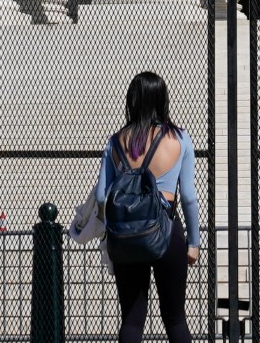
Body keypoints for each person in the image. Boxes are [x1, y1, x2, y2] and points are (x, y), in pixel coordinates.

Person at [96, 71, 199, 343]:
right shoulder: (179, 138)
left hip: (126, 234)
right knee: (175, 319)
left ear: (132, 100)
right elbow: (188, 196)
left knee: (131, 320)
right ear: (162, 98)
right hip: (167, 230)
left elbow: (100, 197)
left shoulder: (115, 141)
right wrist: (194, 242)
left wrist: (110, 234)